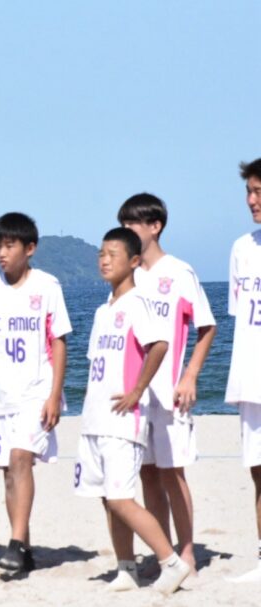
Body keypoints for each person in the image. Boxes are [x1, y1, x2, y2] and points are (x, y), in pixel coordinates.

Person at [74, 227, 191, 594]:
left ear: (134, 261)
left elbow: (160, 345)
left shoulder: (138, 302)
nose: (104, 260)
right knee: (108, 499)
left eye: (113, 254)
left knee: (121, 498)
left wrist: (138, 390)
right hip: (95, 418)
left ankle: (171, 562)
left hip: (124, 422)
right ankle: (126, 569)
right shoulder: (102, 310)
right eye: (101, 253)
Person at [0, 213, 71, 576]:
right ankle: (23, 547)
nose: (2, 253)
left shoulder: (47, 286)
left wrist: (55, 394)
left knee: (21, 458)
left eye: (9, 246)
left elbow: (59, 342)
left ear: (30, 248)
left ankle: (15, 542)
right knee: (8, 472)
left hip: (36, 392)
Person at [118, 194, 215, 575]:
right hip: (138, 394)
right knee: (147, 473)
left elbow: (207, 326)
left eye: (132, 224)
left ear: (154, 226)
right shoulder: (129, 275)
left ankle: (187, 551)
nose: (126, 230)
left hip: (170, 391)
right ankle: (166, 554)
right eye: (122, 224)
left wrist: (190, 375)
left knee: (173, 472)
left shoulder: (179, 272)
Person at [227, 158, 261, 582]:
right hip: (252, 376)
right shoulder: (242, 248)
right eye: (249, 192)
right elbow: (240, 314)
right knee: (258, 470)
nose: (252, 200)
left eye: (259, 192)